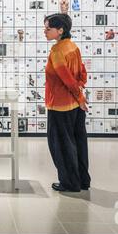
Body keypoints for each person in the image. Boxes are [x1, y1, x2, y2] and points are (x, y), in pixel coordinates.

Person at [44, 13, 91, 192]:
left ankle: (70, 183)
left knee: (61, 146)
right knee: (79, 142)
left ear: (60, 30)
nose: (45, 31)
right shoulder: (73, 46)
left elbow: (67, 80)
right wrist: (80, 97)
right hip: (75, 105)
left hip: (60, 105)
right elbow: (82, 74)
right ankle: (83, 180)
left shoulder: (57, 52)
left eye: (48, 29)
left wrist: (79, 96)